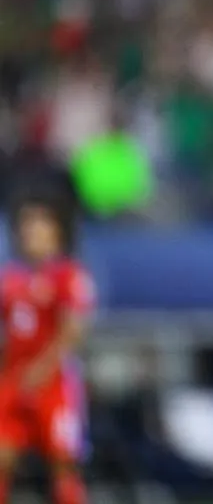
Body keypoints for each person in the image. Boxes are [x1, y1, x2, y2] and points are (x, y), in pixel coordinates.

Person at [0, 192, 93, 504]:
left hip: (52, 382)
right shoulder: (10, 279)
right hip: (13, 380)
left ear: (55, 232)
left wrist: (42, 368)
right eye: (26, 226)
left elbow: (73, 330)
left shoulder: (68, 275)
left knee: (62, 464)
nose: (30, 233)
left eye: (38, 225)